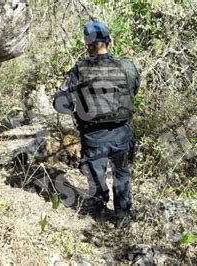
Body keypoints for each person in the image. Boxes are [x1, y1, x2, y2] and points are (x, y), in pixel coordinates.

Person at [53, 20, 140, 227]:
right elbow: (133, 90)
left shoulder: (78, 71)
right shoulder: (128, 67)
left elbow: (63, 104)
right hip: (121, 133)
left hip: (93, 137)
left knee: (96, 174)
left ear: (87, 45)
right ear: (109, 41)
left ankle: (99, 211)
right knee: (121, 172)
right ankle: (122, 215)